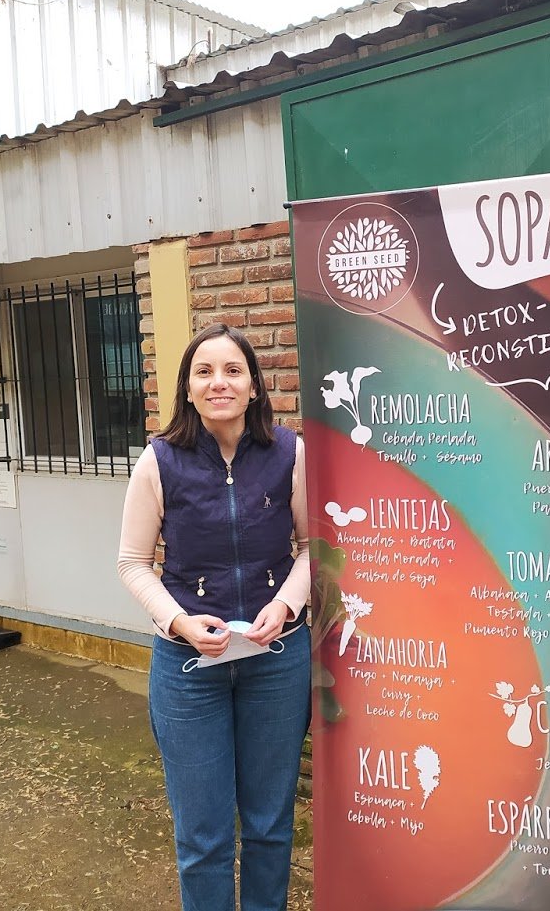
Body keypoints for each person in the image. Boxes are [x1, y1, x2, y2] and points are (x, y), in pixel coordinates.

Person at [118, 323, 311, 911]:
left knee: (270, 825)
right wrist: (178, 622)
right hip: (188, 671)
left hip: (276, 660)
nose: (218, 382)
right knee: (202, 837)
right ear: (187, 388)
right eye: (203, 372)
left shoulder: (289, 453)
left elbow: (314, 548)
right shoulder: (159, 461)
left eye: (232, 370)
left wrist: (285, 604)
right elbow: (132, 563)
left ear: (254, 386)